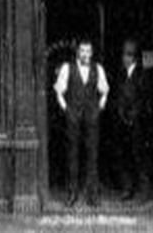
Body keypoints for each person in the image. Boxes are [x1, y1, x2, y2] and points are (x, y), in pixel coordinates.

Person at [53, 39, 109, 207]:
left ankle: (92, 195)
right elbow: (59, 91)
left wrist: (100, 106)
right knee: (73, 154)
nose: (85, 54)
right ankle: (72, 193)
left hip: (91, 117)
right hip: (73, 117)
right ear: (78, 52)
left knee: (92, 155)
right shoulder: (67, 68)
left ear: (92, 53)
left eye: (88, 51)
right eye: (82, 51)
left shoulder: (97, 68)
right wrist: (66, 109)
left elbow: (105, 89)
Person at [113, 39, 148, 201]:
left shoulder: (143, 73)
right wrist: (120, 114)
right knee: (123, 156)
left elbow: (144, 98)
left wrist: (134, 115)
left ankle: (143, 190)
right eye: (124, 54)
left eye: (129, 55)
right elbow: (117, 96)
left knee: (138, 156)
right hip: (121, 123)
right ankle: (127, 188)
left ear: (135, 57)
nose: (126, 58)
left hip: (137, 124)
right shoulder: (119, 73)